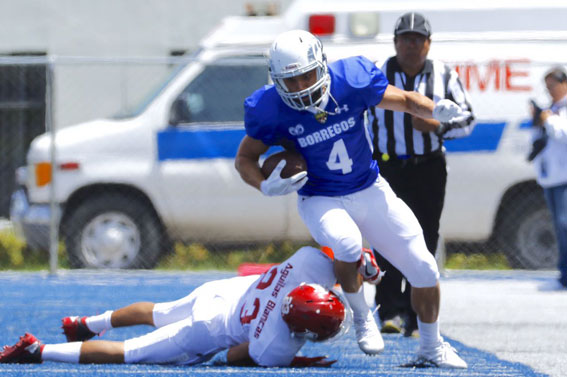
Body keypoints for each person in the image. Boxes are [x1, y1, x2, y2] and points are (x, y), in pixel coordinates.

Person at [234, 29, 468, 367]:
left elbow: (404, 100)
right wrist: (263, 185)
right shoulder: (268, 108)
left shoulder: (351, 80)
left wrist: (435, 110)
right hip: (320, 196)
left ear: (322, 66)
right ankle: (362, 316)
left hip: (368, 188)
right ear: (276, 80)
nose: (301, 87)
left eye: (306, 76)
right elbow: (245, 159)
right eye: (292, 80)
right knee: (346, 244)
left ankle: (431, 348)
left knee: (424, 267)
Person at [0, 246, 348, 367]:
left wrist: (365, 263)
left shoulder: (308, 264)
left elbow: (344, 255)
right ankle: (38, 349)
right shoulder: (276, 343)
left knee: (158, 311)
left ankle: (86, 322)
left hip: (218, 294)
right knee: (130, 352)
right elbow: (232, 356)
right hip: (208, 327)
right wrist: (289, 359)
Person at [366, 12, 475, 337]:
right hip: (387, 165)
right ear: (395, 42)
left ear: (428, 44)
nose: (411, 45)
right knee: (385, 236)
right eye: (405, 39)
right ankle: (389, 311)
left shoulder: (444, 74)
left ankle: (416, 315)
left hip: (428, 166)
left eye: (418, 39)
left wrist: (437, 126)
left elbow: (468, 121)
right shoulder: (378, 75)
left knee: (425, 237)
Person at [529, 67, 567, 288]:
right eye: (547, 87)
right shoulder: (551, 109)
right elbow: (540, 142)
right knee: (558, 226)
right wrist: (537, 120)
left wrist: (549, 121)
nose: (549, 91)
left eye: (552, 86)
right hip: (550, 177)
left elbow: (563, 134)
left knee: (565, 225)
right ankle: (563, 272)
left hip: (564, 177)